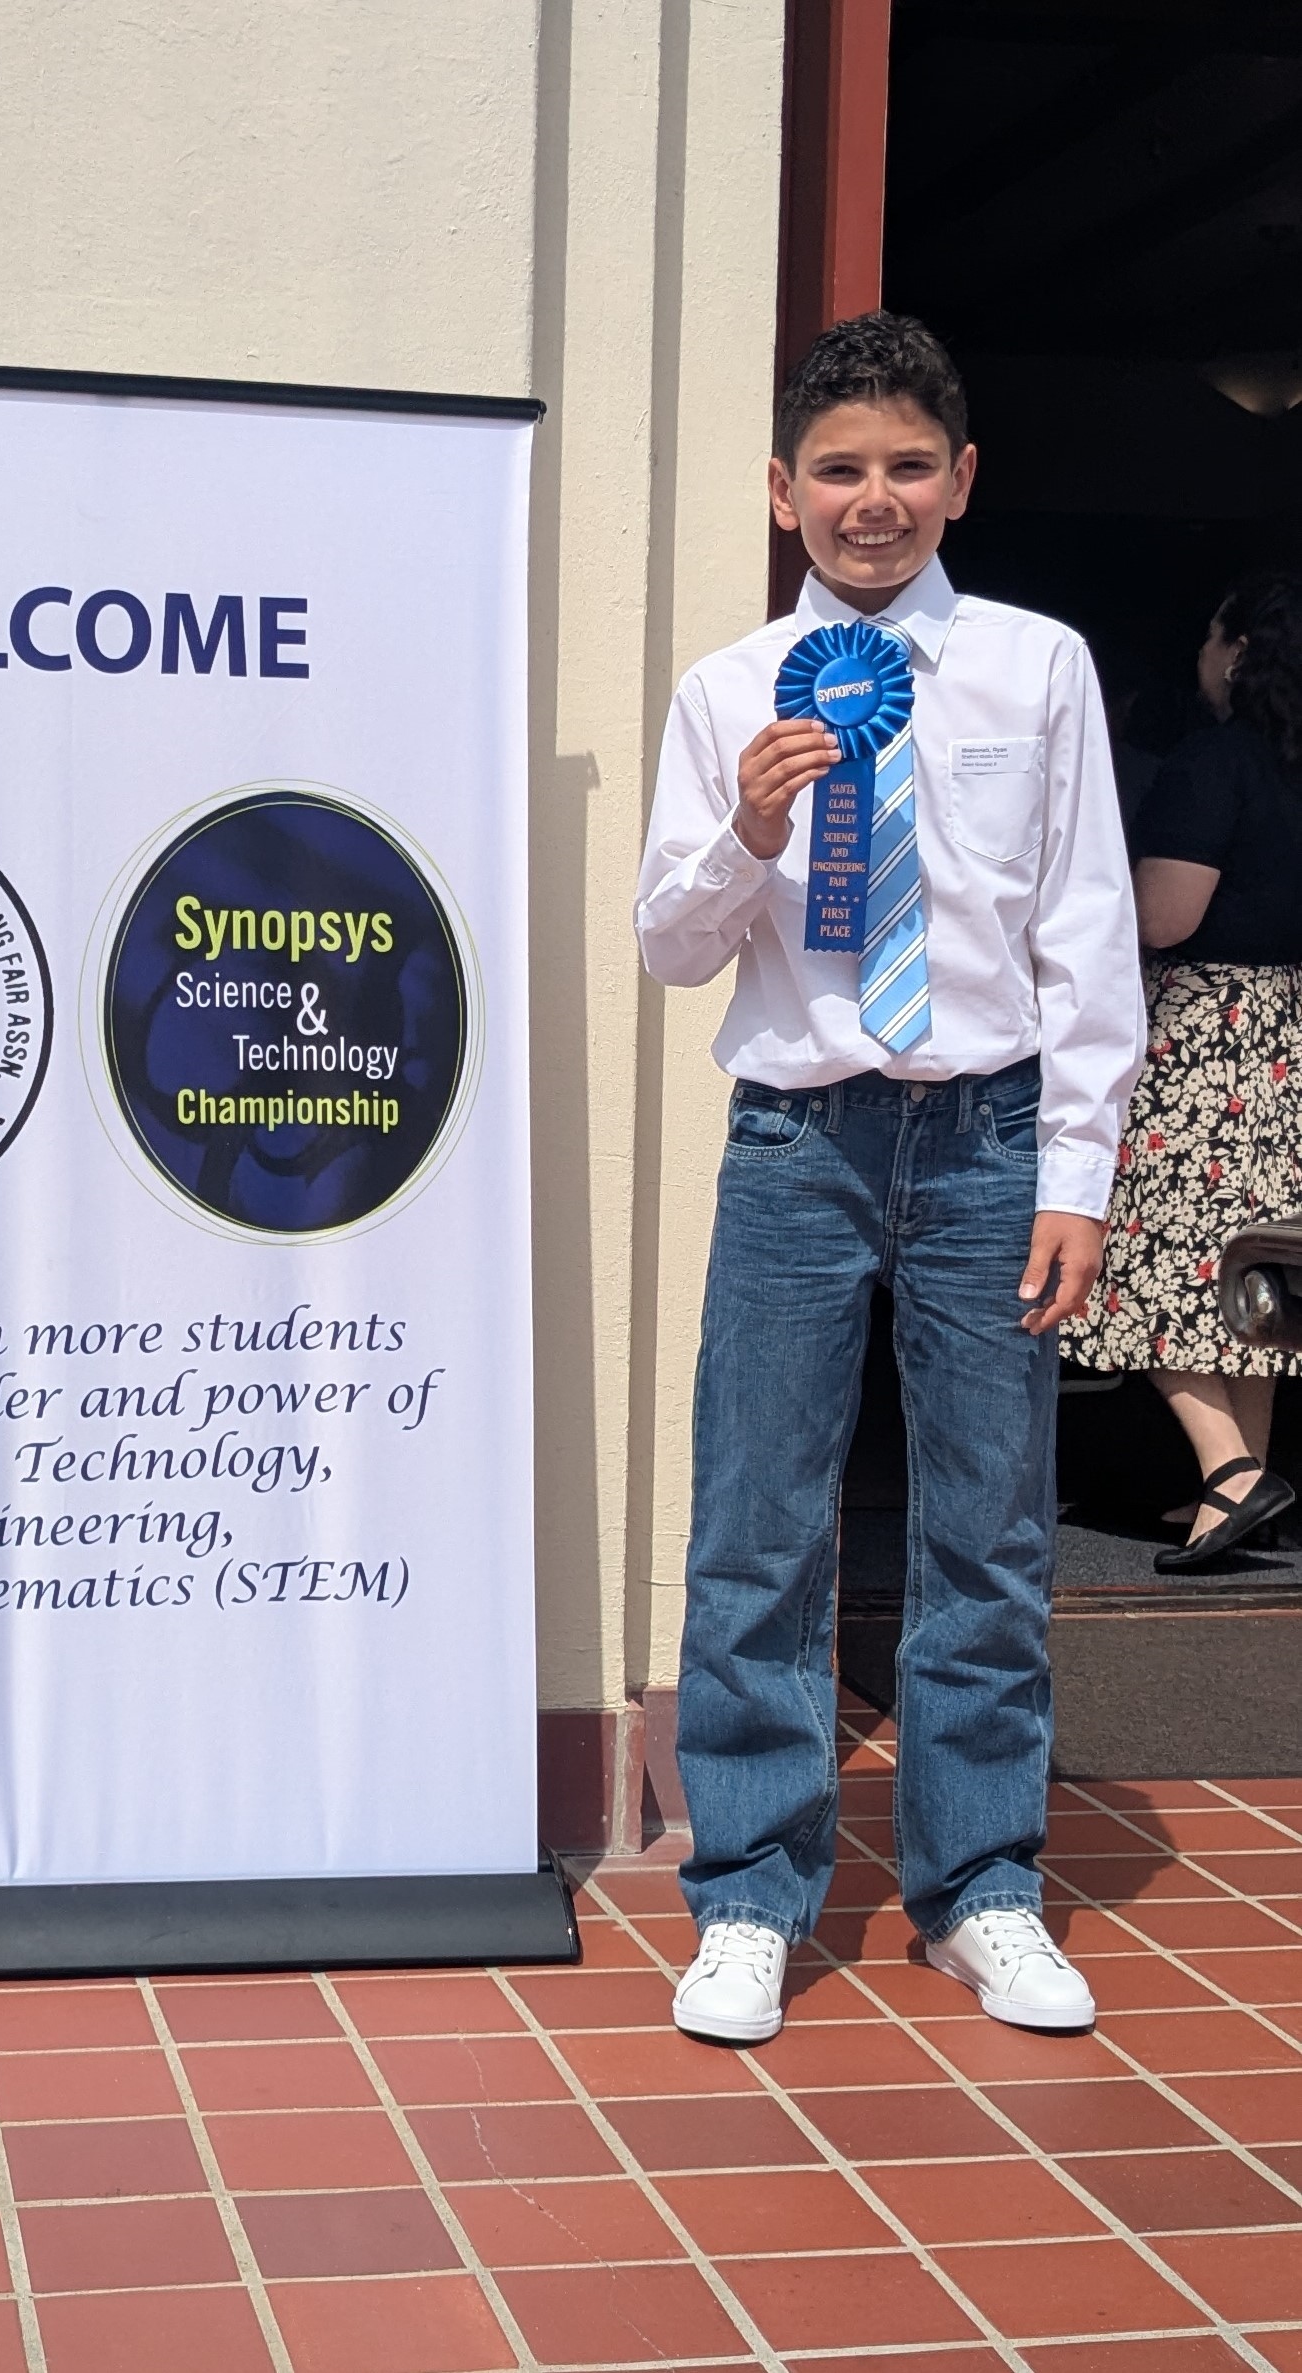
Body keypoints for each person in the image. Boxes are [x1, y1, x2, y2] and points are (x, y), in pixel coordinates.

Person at [634, 311, 1146, 2044]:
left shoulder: (1036, 666)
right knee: (756, 1522)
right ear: (784, 492)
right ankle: (750, 1894)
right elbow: (667, 946)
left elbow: (1084, 926)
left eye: (907, 465)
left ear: (961, 480)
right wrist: (747, 831)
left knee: (988, 1525)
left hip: (988, 1137)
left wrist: (1078, 1169)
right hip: (798, 1143)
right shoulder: (727, 691)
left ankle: (982, 1884)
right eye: (838, 468)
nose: (874, 498)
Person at [1063, 573, 1302, 1569]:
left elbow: (1166, 916)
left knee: (1134, 1256)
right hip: (1284, 1032)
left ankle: (1230, 1470)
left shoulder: (1215, 760)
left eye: (1211, 638)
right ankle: (1242, 1487)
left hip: (1203, 1033)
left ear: (1239, 652)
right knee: (1253, 1269)